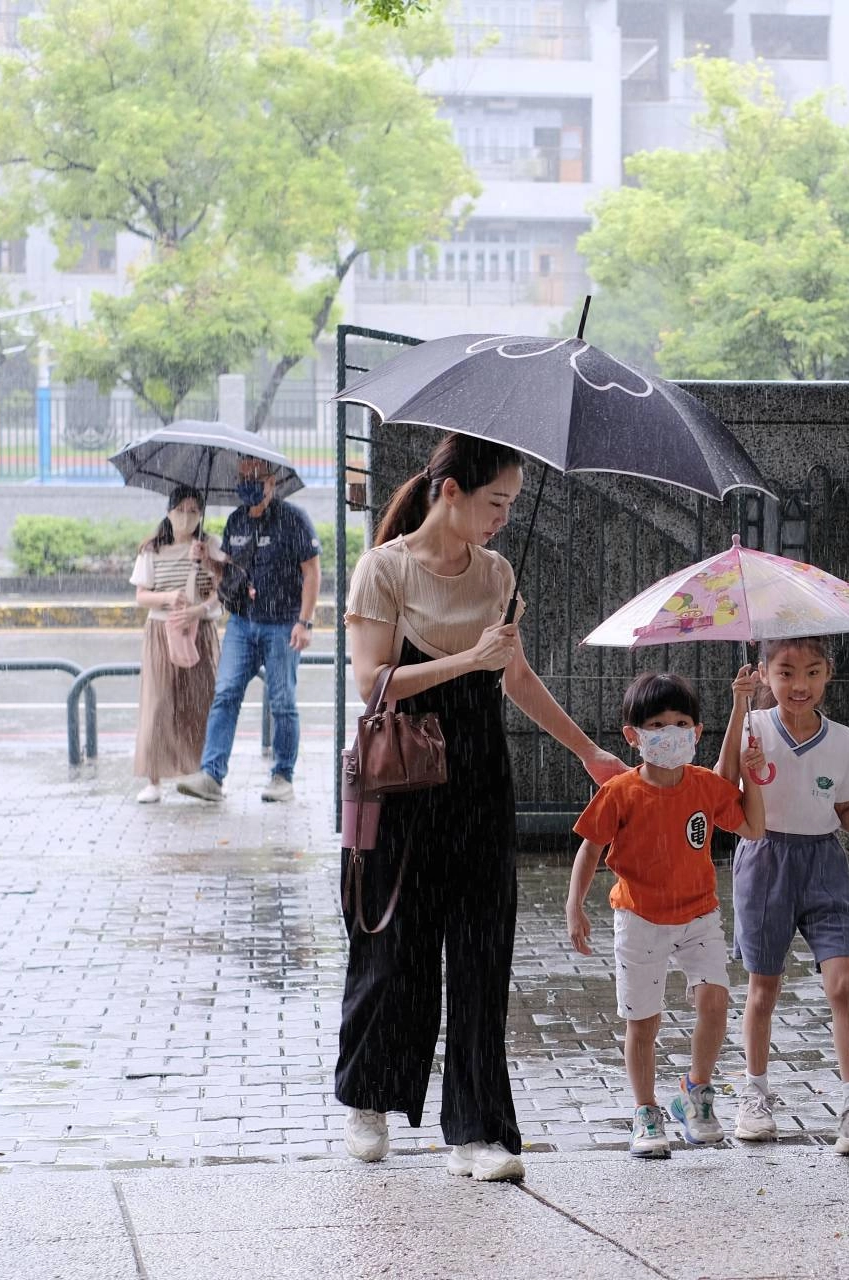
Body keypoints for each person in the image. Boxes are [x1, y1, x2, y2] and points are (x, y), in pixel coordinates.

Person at [336, 431, 625, 1184]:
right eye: (495, 501)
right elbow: (369, 683)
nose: (503, 517)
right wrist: (468, 659)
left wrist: (583, 750)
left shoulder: (497, 573)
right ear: (451, 492)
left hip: (479, 774)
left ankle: (476, 1129)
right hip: (403, 774)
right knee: (395, 945)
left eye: (512, 505)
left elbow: (516, 676)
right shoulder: (383, 569)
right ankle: (370, 1097)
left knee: (480, 951)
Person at [564, 672, 766, 1159]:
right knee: (644, 1022)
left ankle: (695, 1094)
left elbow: (753, 828)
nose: (670, 733)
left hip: (699, 915)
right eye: (656, 724)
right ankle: (646, 1111)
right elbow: (590, 850)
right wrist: (575, 906)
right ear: (632, 735)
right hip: (639, 919)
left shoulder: (704, 786)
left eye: (680, 722)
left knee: (714, 1003)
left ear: (697, 732)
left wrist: (753, 777)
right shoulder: (620, 791)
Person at [716, 639, 849, 1156]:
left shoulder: (842, 740)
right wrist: (738, 711)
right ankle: (753, 1095)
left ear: (828, 677)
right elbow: (719, 787)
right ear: (765, 675)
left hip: (825, 864)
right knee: (763, 988)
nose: (800, 685)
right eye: (787, 672)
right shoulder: (753, 728)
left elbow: (841, 810)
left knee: (843, 985)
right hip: (764, 859)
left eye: (813, 672)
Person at [176, 456, 320, 805]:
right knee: (225, 694)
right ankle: (212, 775)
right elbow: (230, 575)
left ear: (272, 482)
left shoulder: (294, 519)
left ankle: (283, 776)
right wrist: (207, 560)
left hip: (283, 623)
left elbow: (312, 572)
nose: (248, 483)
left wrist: (305, 622)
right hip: (242, 622)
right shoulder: (236, 521)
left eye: (255, 477)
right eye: (242, 476)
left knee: (282, 701)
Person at [127, 487, 221, 804]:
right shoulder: (152, 548)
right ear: (168, 512)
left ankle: (205, 774)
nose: (186, 516)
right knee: (158, 703)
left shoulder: (210, 545)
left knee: (200, 702)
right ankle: (153, 779)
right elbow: (141, 596)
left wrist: (205, 564)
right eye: (180, 509)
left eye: (194, 510)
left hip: (201, 631)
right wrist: (168, 598)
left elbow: (222, 590)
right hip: (161, 630)